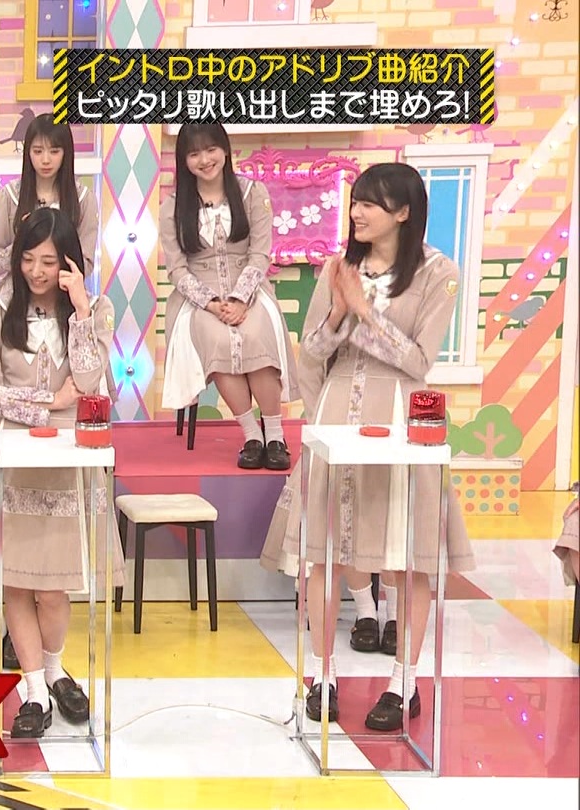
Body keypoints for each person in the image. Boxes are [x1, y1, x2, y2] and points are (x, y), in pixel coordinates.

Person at [260, 163, 473, 731]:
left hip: (400, 420)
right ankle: (322, 674)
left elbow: (419, 360)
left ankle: (404, 683)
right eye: (355, 201)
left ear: (403, 212)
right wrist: (338, 308)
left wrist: (363, 310)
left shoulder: (438, 273)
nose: (356, 212)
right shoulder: (339, 268)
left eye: (370, 203)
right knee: (325, 552)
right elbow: (312, 352)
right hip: (335, 417)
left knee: (408, 556)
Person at [0, 207, 123, 738]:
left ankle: (56, 669)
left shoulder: (94, 311)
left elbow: (89, 382)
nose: (37, 272)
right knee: (15, 581)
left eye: (49, 262)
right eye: (28, 259)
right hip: (9, 450)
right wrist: (49, 401)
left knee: (55, 584)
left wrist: (81, 309)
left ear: (69, 264)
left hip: (65, 456)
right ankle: (35, 689)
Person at [158, 122, 297, 470]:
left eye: (211, 150)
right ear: (184, 160)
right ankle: (251, 436)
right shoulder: (172, 207)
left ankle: (275, 435)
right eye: (194, 154)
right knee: (217, 339)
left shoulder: (252, 193)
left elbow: (260, 254)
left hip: (249, 288)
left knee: (256, 334)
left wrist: (239, 298)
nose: (204, 160)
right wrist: (210, 303)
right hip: (198, 298)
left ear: (225, 150)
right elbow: (177, 270)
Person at [0, 116, 99, 304]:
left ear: (66, 152)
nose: (45, 160)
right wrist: (22, 242)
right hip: (17, 301)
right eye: (38, 151)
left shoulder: (84, 200)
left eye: (54, 151)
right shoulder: (8, 197)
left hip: (64, 300)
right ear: (27, 152)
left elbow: (85, 265)